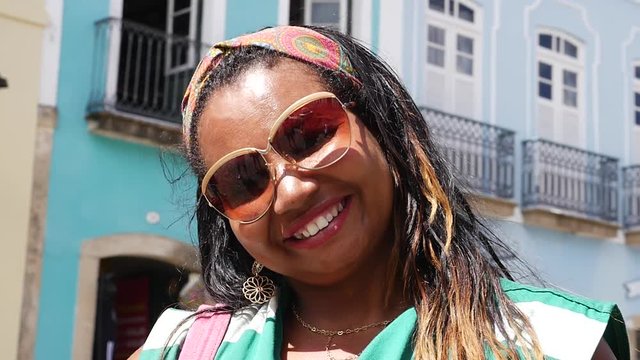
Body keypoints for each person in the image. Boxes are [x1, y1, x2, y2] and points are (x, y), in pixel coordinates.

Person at [131, 25, 629, 360]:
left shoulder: (550, 343)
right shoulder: (181, 350)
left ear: (386, 129)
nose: (292, 191)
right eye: (243, 181)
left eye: (310, 133)